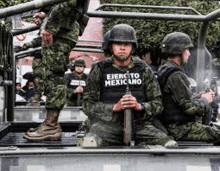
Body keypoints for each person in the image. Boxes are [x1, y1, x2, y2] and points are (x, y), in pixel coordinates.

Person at [81, 24, 177, 147]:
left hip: (140, 126)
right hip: (106, 126)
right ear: (111, 46)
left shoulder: (143, 69)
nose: (122, 48)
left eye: (126, 44)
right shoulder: (99, 69)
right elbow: (88, 105)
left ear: (132, 47)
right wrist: (114, 108)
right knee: (89, 143)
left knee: (169, 144)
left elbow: (158, 104)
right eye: (118, 44)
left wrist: (139, 106)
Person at [23, 0, 90, 141]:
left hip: (61, 30)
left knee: (54, 77)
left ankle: (51, 125)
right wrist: (45, 15)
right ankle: (50, 123)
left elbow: (70, 2)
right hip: (62, 28)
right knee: (51, 76)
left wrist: (50, 26)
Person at [156, 32, 220, 144]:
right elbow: (190, 109)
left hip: (173, 126)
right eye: (187, 50)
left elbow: (178, 100)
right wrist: (205, 100)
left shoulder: (164, 69)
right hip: (179, 129)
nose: (189, 54)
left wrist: (198, 97)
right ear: (179, 51)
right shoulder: (175, 74)